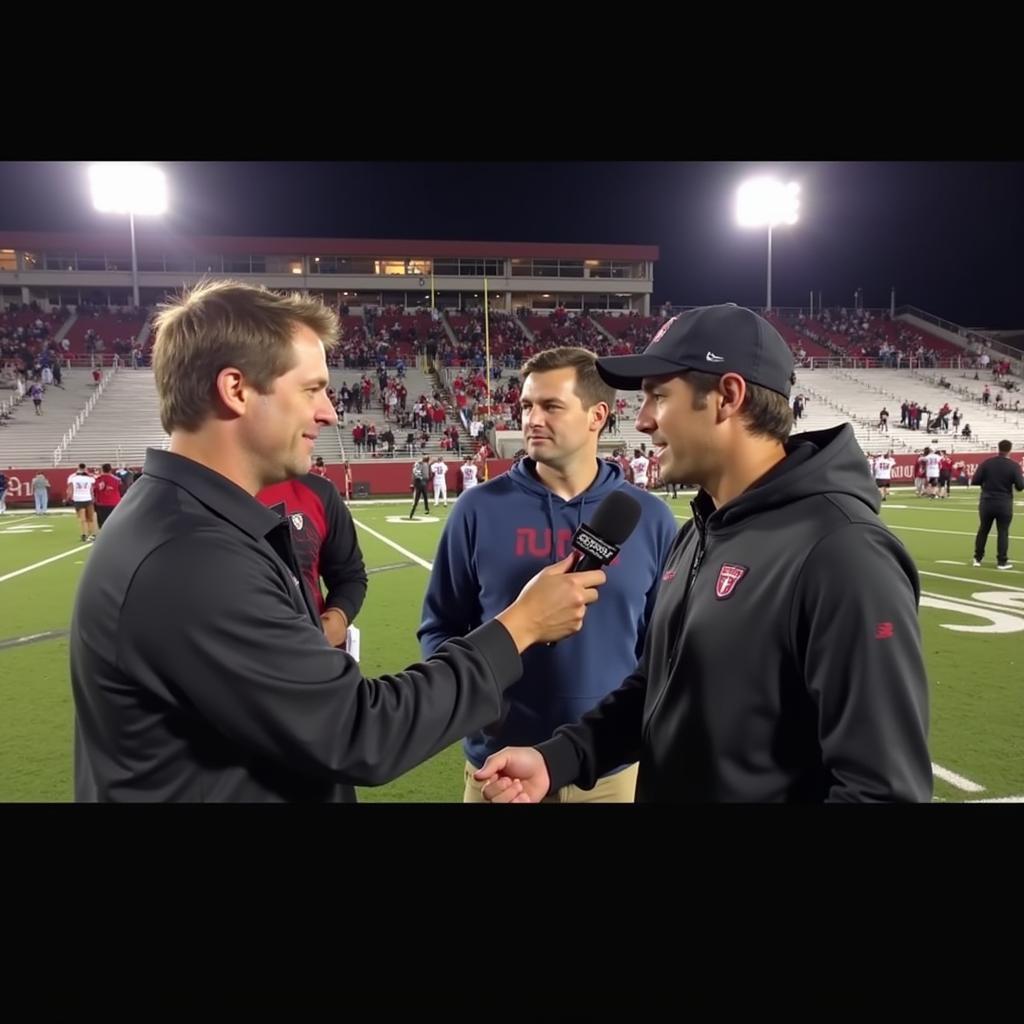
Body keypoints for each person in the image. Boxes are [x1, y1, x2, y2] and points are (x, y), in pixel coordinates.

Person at [69, 280, 606, 802]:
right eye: (311, 389)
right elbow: (359, 732)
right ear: (235, 390)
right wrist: (521, 626)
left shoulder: (189, 521)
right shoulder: (190, 554)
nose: (329, 411)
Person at [475, 304, 932, 803]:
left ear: (727, 397)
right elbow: (656, 689)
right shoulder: (700, 530)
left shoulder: (843, 553)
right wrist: (557, 758)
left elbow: (883, 792)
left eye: (659, 396)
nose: (644, 420)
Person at [420, 347, 677, 803]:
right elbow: (440, 625)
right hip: (498, 768)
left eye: (551, 406)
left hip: (609, 770)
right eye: (525, 406)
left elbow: (662, 648)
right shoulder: (477, 509)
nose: (531, 419)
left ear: (598, 415)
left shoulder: (650, 518)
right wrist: (478, 707)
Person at [257, 472, 368, 647]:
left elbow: (349, 575)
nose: (314, 442)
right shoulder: (202, 495)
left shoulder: (319, 491)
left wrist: (336, 619)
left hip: (310, 656)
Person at [971, 439, 1024, 569]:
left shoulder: (987, 463)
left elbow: (975, 480)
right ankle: (1001, 561)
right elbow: (1020, 486)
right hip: (1004, 502)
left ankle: (977, 558)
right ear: (1010, 450)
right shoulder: (1013, 466)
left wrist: (987, 484)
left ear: (998, 448)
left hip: (987, 501)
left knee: (983, 529)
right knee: (1003, 532)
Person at [66, 463, 97, 542]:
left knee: (82, 519)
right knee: (90, 518)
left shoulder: (73, 478)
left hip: (78, 499)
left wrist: (69, 498)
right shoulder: (89, 478)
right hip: (87, 498)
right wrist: (93, 498)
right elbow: (91, 490)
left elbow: (70, 490)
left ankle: (84, 534)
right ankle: (92, 534)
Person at [93, 463, 123, 528]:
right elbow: (122, 491)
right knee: (114, 523)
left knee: (103, 525)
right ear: (110, 470)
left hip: (101, 504)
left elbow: (94, 492)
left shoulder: (98, 480)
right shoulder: (117, 480)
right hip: (114, 504)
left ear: (102, 470)